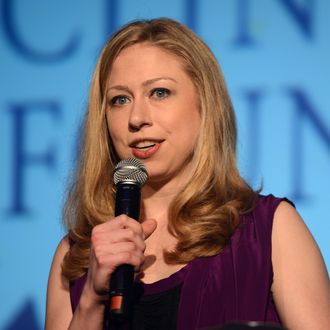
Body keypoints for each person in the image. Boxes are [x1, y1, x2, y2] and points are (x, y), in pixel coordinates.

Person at [45, 18, 330, 330]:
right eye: (120, 100)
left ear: (204, 105)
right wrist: (91, 300)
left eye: (160, 92)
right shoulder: (76, 254)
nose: (137, 118)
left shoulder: (268, 230)